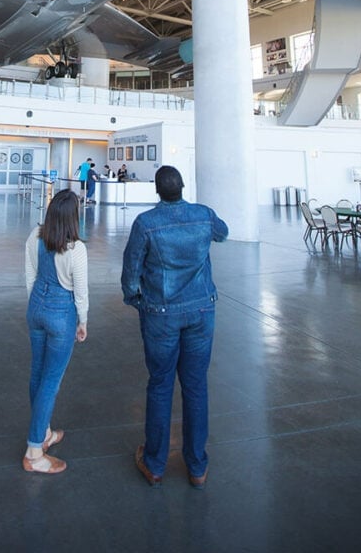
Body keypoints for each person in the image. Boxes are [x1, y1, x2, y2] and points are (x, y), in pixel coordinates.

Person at [121, 165, 228, 489]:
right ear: (182, 186)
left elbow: (131, 272)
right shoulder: (203, 215)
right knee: (196, 386)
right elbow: (222, 232)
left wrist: (137, 300)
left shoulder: (146, 224)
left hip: (161, 314)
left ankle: (155, 464)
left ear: (157, 190)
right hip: (200, 311)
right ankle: (197, 466)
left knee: (160, 384)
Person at [23, 189, 88, 474]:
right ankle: (34, 451)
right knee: (51, 380)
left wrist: (35, 305)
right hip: (62, 314)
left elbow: (30, 275)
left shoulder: (35, 236)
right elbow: (81, 291)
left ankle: (45, 431)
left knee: (38, 373)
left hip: (36, 306)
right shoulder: (76, 249)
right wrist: (83, 321)